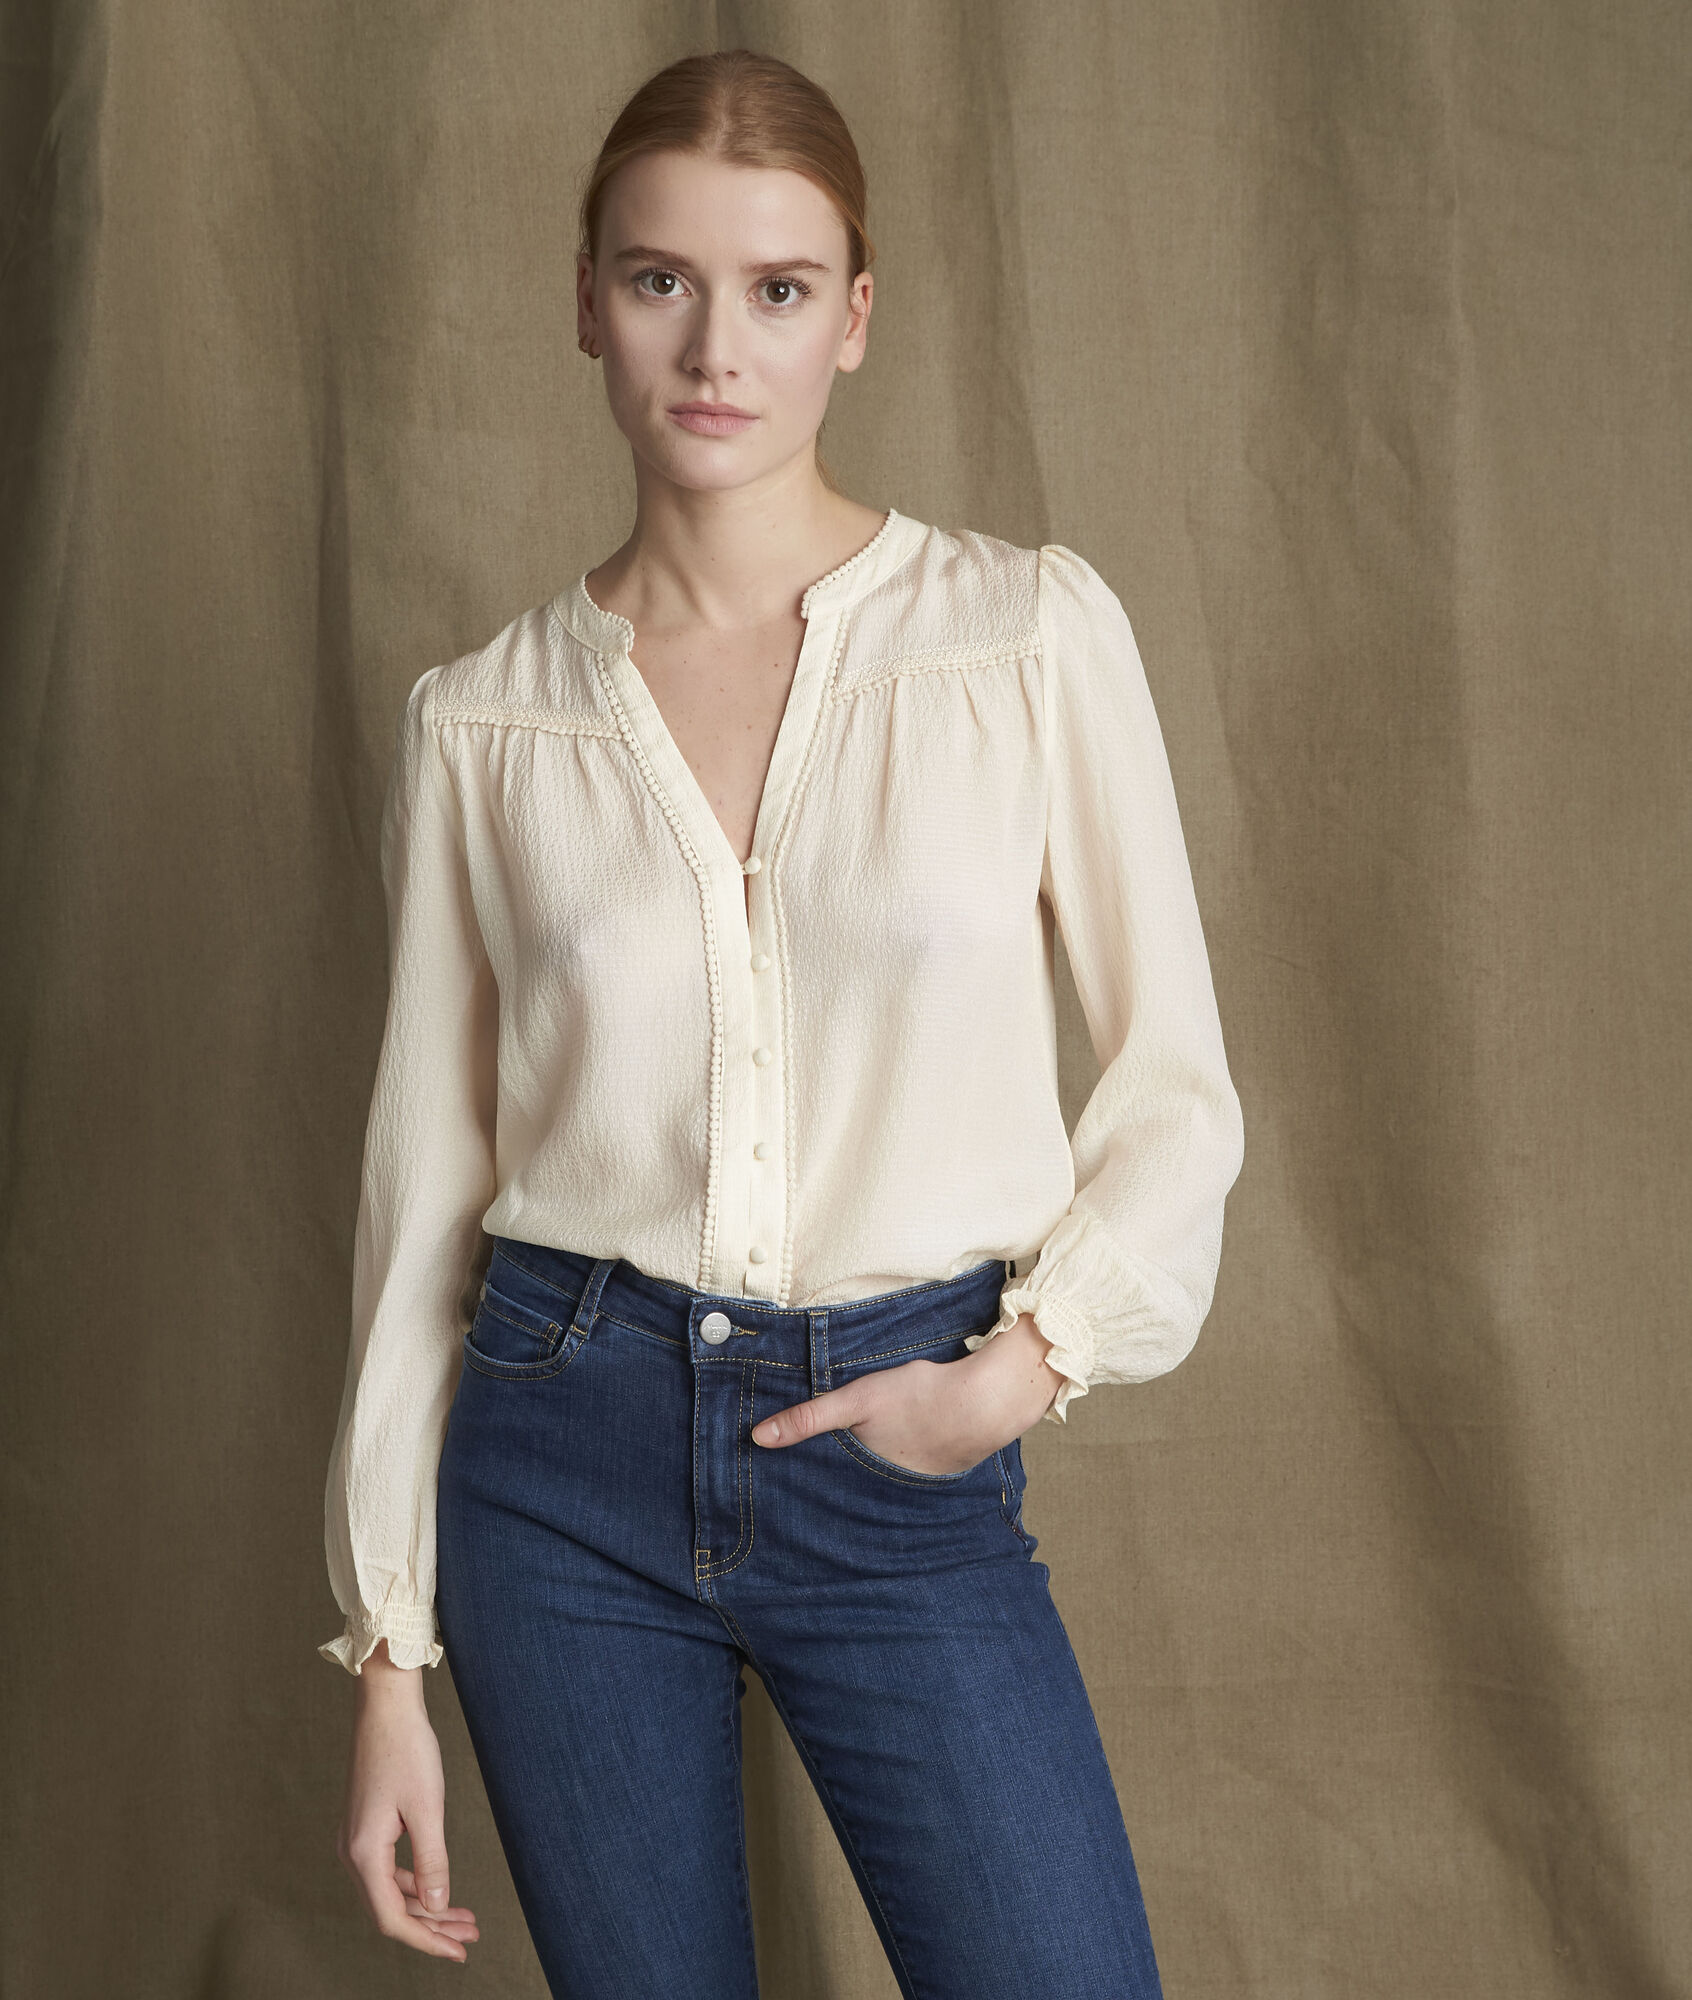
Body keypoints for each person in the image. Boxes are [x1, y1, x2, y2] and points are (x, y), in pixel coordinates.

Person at [321, 47, 1244, 2000]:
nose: (716, 346)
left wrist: (1015, 1375)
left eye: (778, 287)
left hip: (898, 1436)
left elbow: (1177, 1088)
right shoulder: (485, 724)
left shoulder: (1019, 639)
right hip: (558, 1464)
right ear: (589, 303)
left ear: (855, 316)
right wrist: (391, 1654)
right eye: (661, 279)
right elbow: (421, 1205)